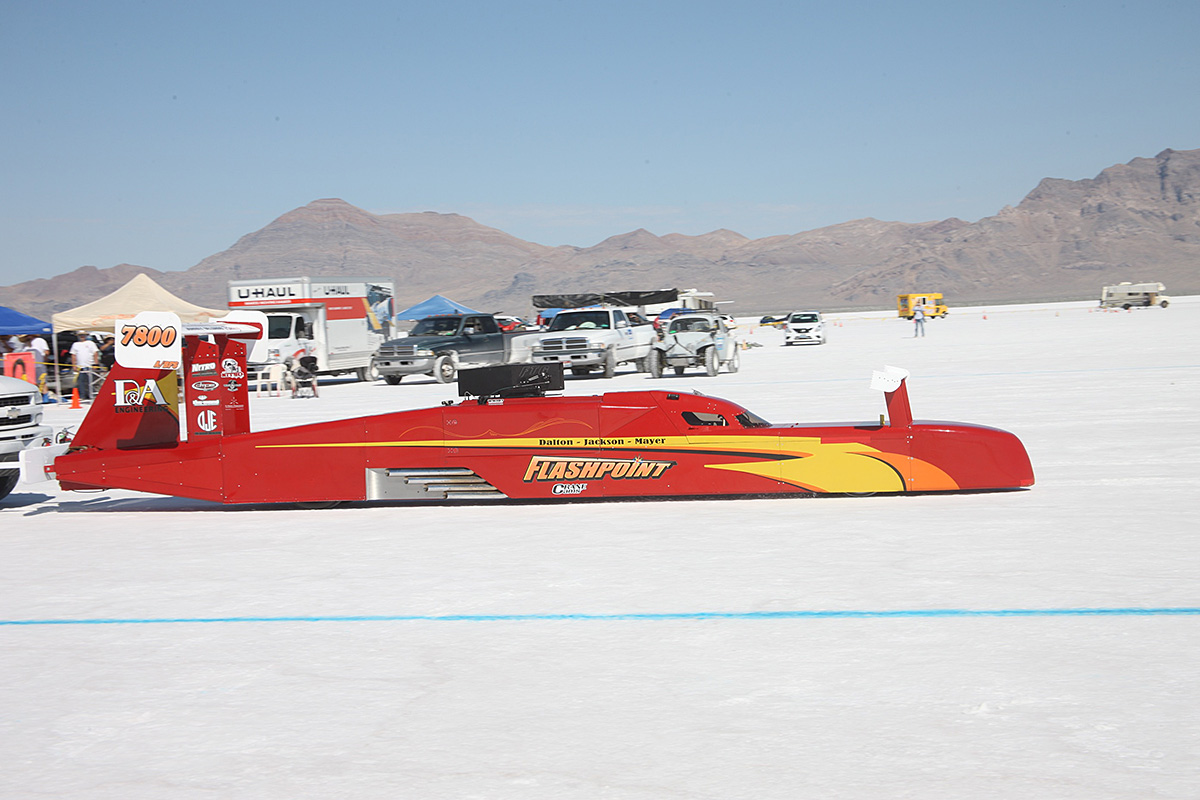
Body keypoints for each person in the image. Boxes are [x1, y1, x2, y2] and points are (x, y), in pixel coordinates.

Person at [69, 333, 100, 400]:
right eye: (80, 335)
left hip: (90, 366)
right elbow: (73, 355)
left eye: (83, 335)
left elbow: (95, 353)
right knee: (81, 381)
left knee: (90, 381)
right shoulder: (75, 344)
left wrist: (95, 364)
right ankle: (83, 396)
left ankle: (91, 395)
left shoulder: (91, 343)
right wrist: (74, 365)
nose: (82, 336)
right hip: (81, 367)